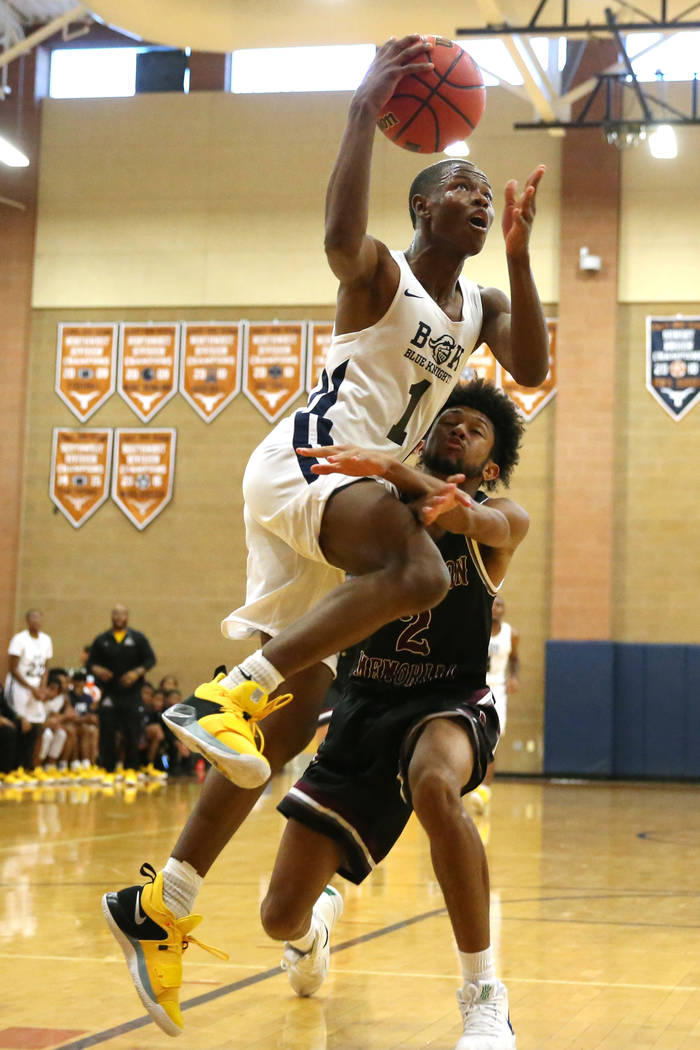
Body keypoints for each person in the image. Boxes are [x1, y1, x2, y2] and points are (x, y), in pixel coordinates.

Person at [103, 34, 548, 1036]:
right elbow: (338, 234)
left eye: (485, 193)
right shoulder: (380, 273)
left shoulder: (473, 303)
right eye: (459, 189)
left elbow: (526, 357)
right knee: (420, 573)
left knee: (283, 729)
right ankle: (229, 688)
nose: (477, 200)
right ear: (419, 204)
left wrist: (518, 251)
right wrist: (358, 108)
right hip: (311, 461)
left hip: (351, 495)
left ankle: (162, 902)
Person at [258, 378, 526, 1050]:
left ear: (490, 466)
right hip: (362, 705)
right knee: (277, 916)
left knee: (436, 784)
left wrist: (390, 467)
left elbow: (475, 519)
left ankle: (485, 998)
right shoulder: (370, 510)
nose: (458, 429)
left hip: (448, 699)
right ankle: (316, 924)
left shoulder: (501, 517)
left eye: (476, 428)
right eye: (450, 420)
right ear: (427, 435)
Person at [88, 604, 156, 774]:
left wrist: (135, 673)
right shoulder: (102, 639)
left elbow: (150, 660)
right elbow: (90, 663)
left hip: (132, 693)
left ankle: (132, 768)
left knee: (132, 731)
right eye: (116, 614)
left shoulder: (138, 638)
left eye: (122, 614)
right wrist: (99, 670)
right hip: (109, 693)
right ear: (112, 617)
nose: (119, 617)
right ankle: (107, 768)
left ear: (127, 617)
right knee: (107, 732)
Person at [471, 596, 520, 812]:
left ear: (504, 610)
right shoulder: (475, 627)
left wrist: (514, 677)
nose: (496, 608)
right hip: (474, 687)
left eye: (501, 605)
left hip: (497, 690)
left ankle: (484, 791)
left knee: (492, 740)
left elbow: (514, 658)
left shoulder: (512, 634)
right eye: (493, 604)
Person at [4, 609, 53, 770]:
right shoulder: (19, 639)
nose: (36, 621)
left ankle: (27, 766)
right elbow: (13, 668)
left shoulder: (46, 640)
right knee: (20, 724)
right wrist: (32, 688)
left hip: (36, 688)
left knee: (36, 725)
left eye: (39, 618)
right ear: (27, 621)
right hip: (19, 686)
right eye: (33, 618)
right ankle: (12, 767)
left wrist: (43, 689)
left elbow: (46, 667)